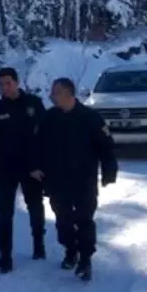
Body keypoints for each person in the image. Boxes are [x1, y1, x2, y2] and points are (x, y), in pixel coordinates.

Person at [30, 77, 118, 281]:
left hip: (83, 179)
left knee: (84, 219)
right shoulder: (49, 118)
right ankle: (70, 250)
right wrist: (35, 167)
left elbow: (105, 146)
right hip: (56, 179)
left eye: (56, 92)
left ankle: (86, 259)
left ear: (69, 93)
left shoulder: (90, 117)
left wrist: (109, 171)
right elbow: (36, 145)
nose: (52, 96)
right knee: (63, 220)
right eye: (52, 92)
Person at [0, 67, 47, 274]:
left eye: (8, 83)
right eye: (1, 84)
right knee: (4, 212)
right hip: (5, 167)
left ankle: (39, 245)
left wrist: (42, 165)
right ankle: (5, 257)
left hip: (32, 167)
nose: (5, 87)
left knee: (35, 208)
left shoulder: (33, 104)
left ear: (17, 82)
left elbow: (46, 135)